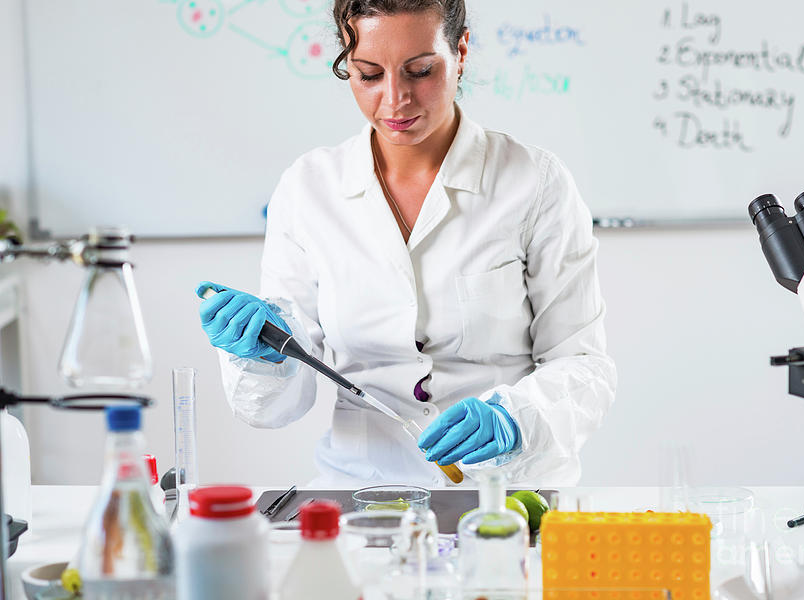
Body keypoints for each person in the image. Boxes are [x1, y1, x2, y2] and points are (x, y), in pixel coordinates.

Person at [196, 0, 616, 487]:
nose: (395, 100)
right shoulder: (309, 188)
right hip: (364, 494)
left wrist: (516, 421)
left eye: (419, 71)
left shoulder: (533, 181)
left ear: (460, 52)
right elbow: (275, 408)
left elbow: (583, 363)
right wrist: (260, 355)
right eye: (368, 74)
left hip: (507, 495)